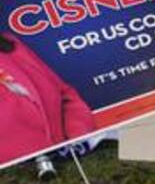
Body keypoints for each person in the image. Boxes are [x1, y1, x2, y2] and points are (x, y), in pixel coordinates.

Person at [0, 32, 97, 167]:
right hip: (19, 178)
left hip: (72, 160)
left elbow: (64, 94)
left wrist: (78, 136)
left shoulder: (10, 44)